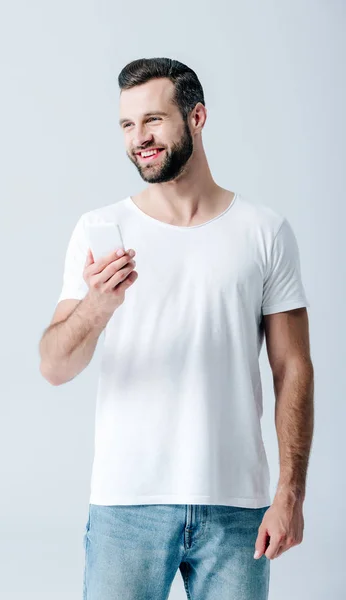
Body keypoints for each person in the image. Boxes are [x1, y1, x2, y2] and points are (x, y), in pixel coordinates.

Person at [39, 57, 314, 600]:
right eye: (126, 125)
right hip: (126, 506)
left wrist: (290, 495)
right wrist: (98, 303)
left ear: (197, 117)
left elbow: (293, 368)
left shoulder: (265, 231)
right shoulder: (102, 231)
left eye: (154, 120)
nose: (138, 138)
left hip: (236, 510)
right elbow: (53, 366)